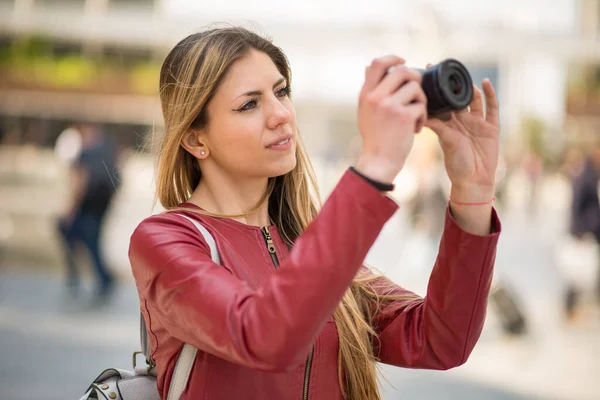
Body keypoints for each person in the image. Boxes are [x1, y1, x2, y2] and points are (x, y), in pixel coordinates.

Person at [128, 27, 501, 400]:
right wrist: (375, 165)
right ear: (195, 139)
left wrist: (473, 194)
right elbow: (264, 336)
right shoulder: (166, 241)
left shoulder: (310, 247)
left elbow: (440, 340)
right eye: (249, 104)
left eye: (281, 91)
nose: (280, 114)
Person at [58, 122, 119, 299]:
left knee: (71, 233)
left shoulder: (85, 155)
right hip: (102, 206)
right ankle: (99, 278)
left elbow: (79, 183)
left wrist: (70, 209)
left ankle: (79, 276)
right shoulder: (107, 150)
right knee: (92, 241)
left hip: (87, 206)